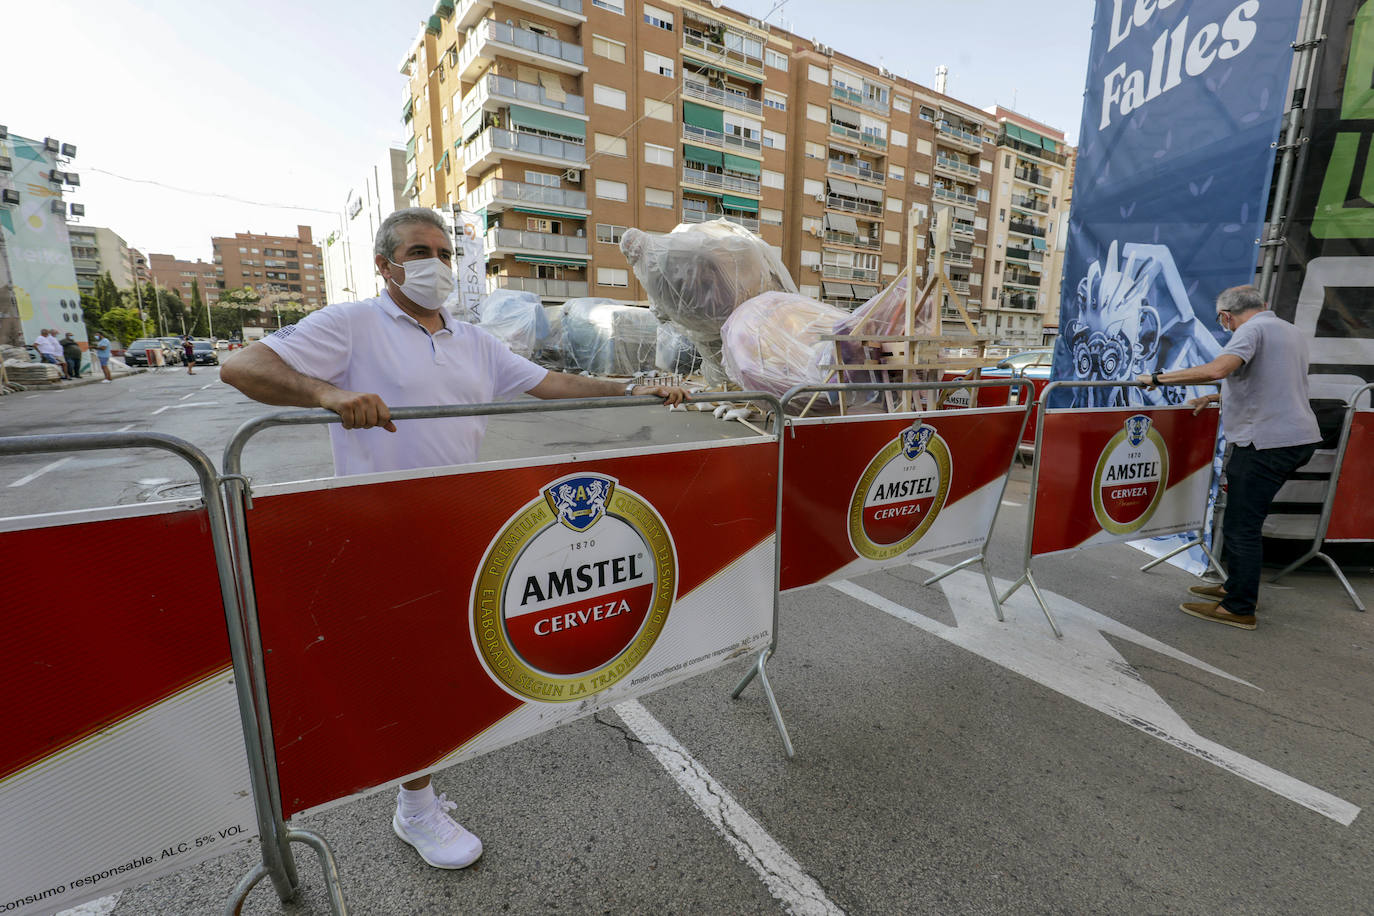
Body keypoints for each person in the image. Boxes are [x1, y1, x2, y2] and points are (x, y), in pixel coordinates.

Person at [222, 207, 689, 870]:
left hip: (461, 523)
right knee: (409, 669)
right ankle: (414, 808)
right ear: (385, 265)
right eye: (419, 251)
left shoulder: (471, 341)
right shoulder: (353, 324)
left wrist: (636, 387)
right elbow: (241, 366)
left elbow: (549, 383)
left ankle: (423, 779)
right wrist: (326, 394)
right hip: (383, 526)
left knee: (448, 661)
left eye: (444, 253)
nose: (435, 264)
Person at [1137, 285, 1321, 630]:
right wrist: (1218, 398)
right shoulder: (1289, 330)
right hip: (1296, 438)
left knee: (1241, 526)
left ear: (1225, 316)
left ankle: (1238, 606)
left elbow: (1218, 368)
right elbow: (1268, 385)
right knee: (1245, 519)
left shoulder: (1250, 330)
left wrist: (1156, 378)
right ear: (1263, 304)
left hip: (1266, 442)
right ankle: (1234, 586)